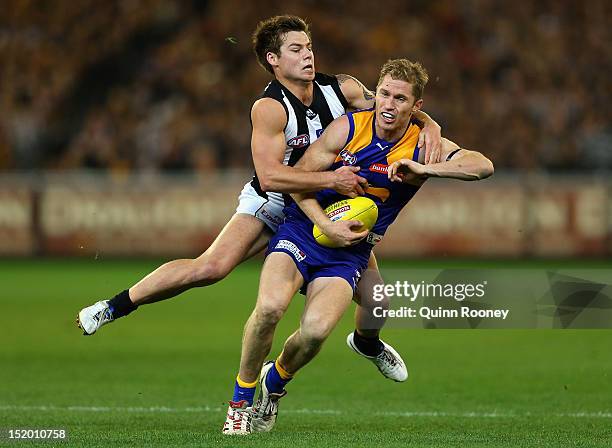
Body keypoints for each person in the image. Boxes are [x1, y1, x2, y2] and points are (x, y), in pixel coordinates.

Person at [76, 15, 441, 379]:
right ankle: (114, 306)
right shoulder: (269, 108)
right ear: (273, 60)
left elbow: (394, 107)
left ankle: (367, 343)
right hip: (275, 204)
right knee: (210, 268)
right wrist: (333, 176)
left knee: (377, 303)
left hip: (325, 201)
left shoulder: (342, 88)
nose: (308, 55)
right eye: (296, 50)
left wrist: (432, 125)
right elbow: (269, 177)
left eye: (309, 47)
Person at [222, 58, 493, 435]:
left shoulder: (424, 145)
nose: (388, 104)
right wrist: (325, 224)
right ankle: (238, 404)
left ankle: (275, 382)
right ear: (375, 93)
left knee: (317, 332)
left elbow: (482, 165)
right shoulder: (348, 127)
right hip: (303, 230)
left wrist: (427, 170)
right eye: (383, 93)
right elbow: (297, 181)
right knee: (269, 309)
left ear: (416, 107)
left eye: (400, 98)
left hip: (350, 252)